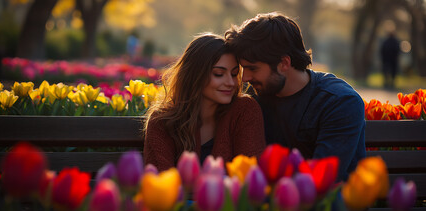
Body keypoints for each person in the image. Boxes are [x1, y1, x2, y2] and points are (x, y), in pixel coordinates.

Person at [224, 12, 366, 182]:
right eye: (242, 68)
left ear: (284, 63)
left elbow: (321, 180)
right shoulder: (255, 95)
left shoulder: (338, 102)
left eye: (253, 69)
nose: (245, 78)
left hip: (326, 206)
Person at [143, 33, 266, 171]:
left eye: (233, 74)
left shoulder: (244, 111)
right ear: (196, 75)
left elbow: (250, 176)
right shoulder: (162, 122)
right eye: (219, 74)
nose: (231, 83)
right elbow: (160, 183)